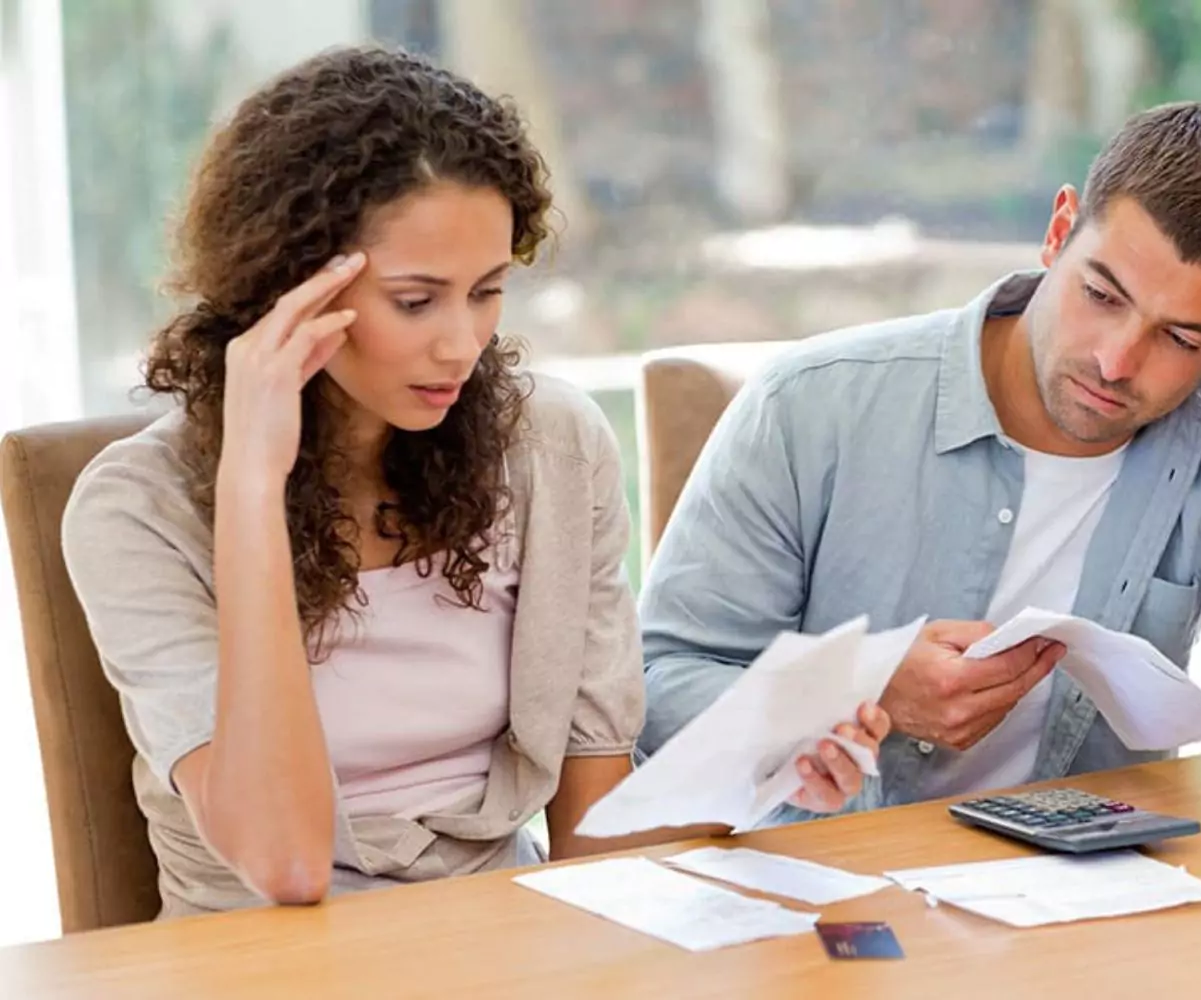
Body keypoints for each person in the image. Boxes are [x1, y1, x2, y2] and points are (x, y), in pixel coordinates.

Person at [61, 46, 886, 918]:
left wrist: (758, 772)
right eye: (415, 302)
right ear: (288, 288)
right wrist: (253, 487)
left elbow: (590, 837)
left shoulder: (552, 453)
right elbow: (286, 867)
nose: (462, 344)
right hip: (253, 957)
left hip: (500, 939)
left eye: (487, 292)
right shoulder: (136, 509)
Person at [639, 102, 1201, 821]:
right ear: (1060, 231)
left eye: (1181, 338)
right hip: (820, 924)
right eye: (1101, 294)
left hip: (1077, 928)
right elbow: (650, 691)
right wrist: (859, 681)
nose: (1117, 361)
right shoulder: (809, 404)